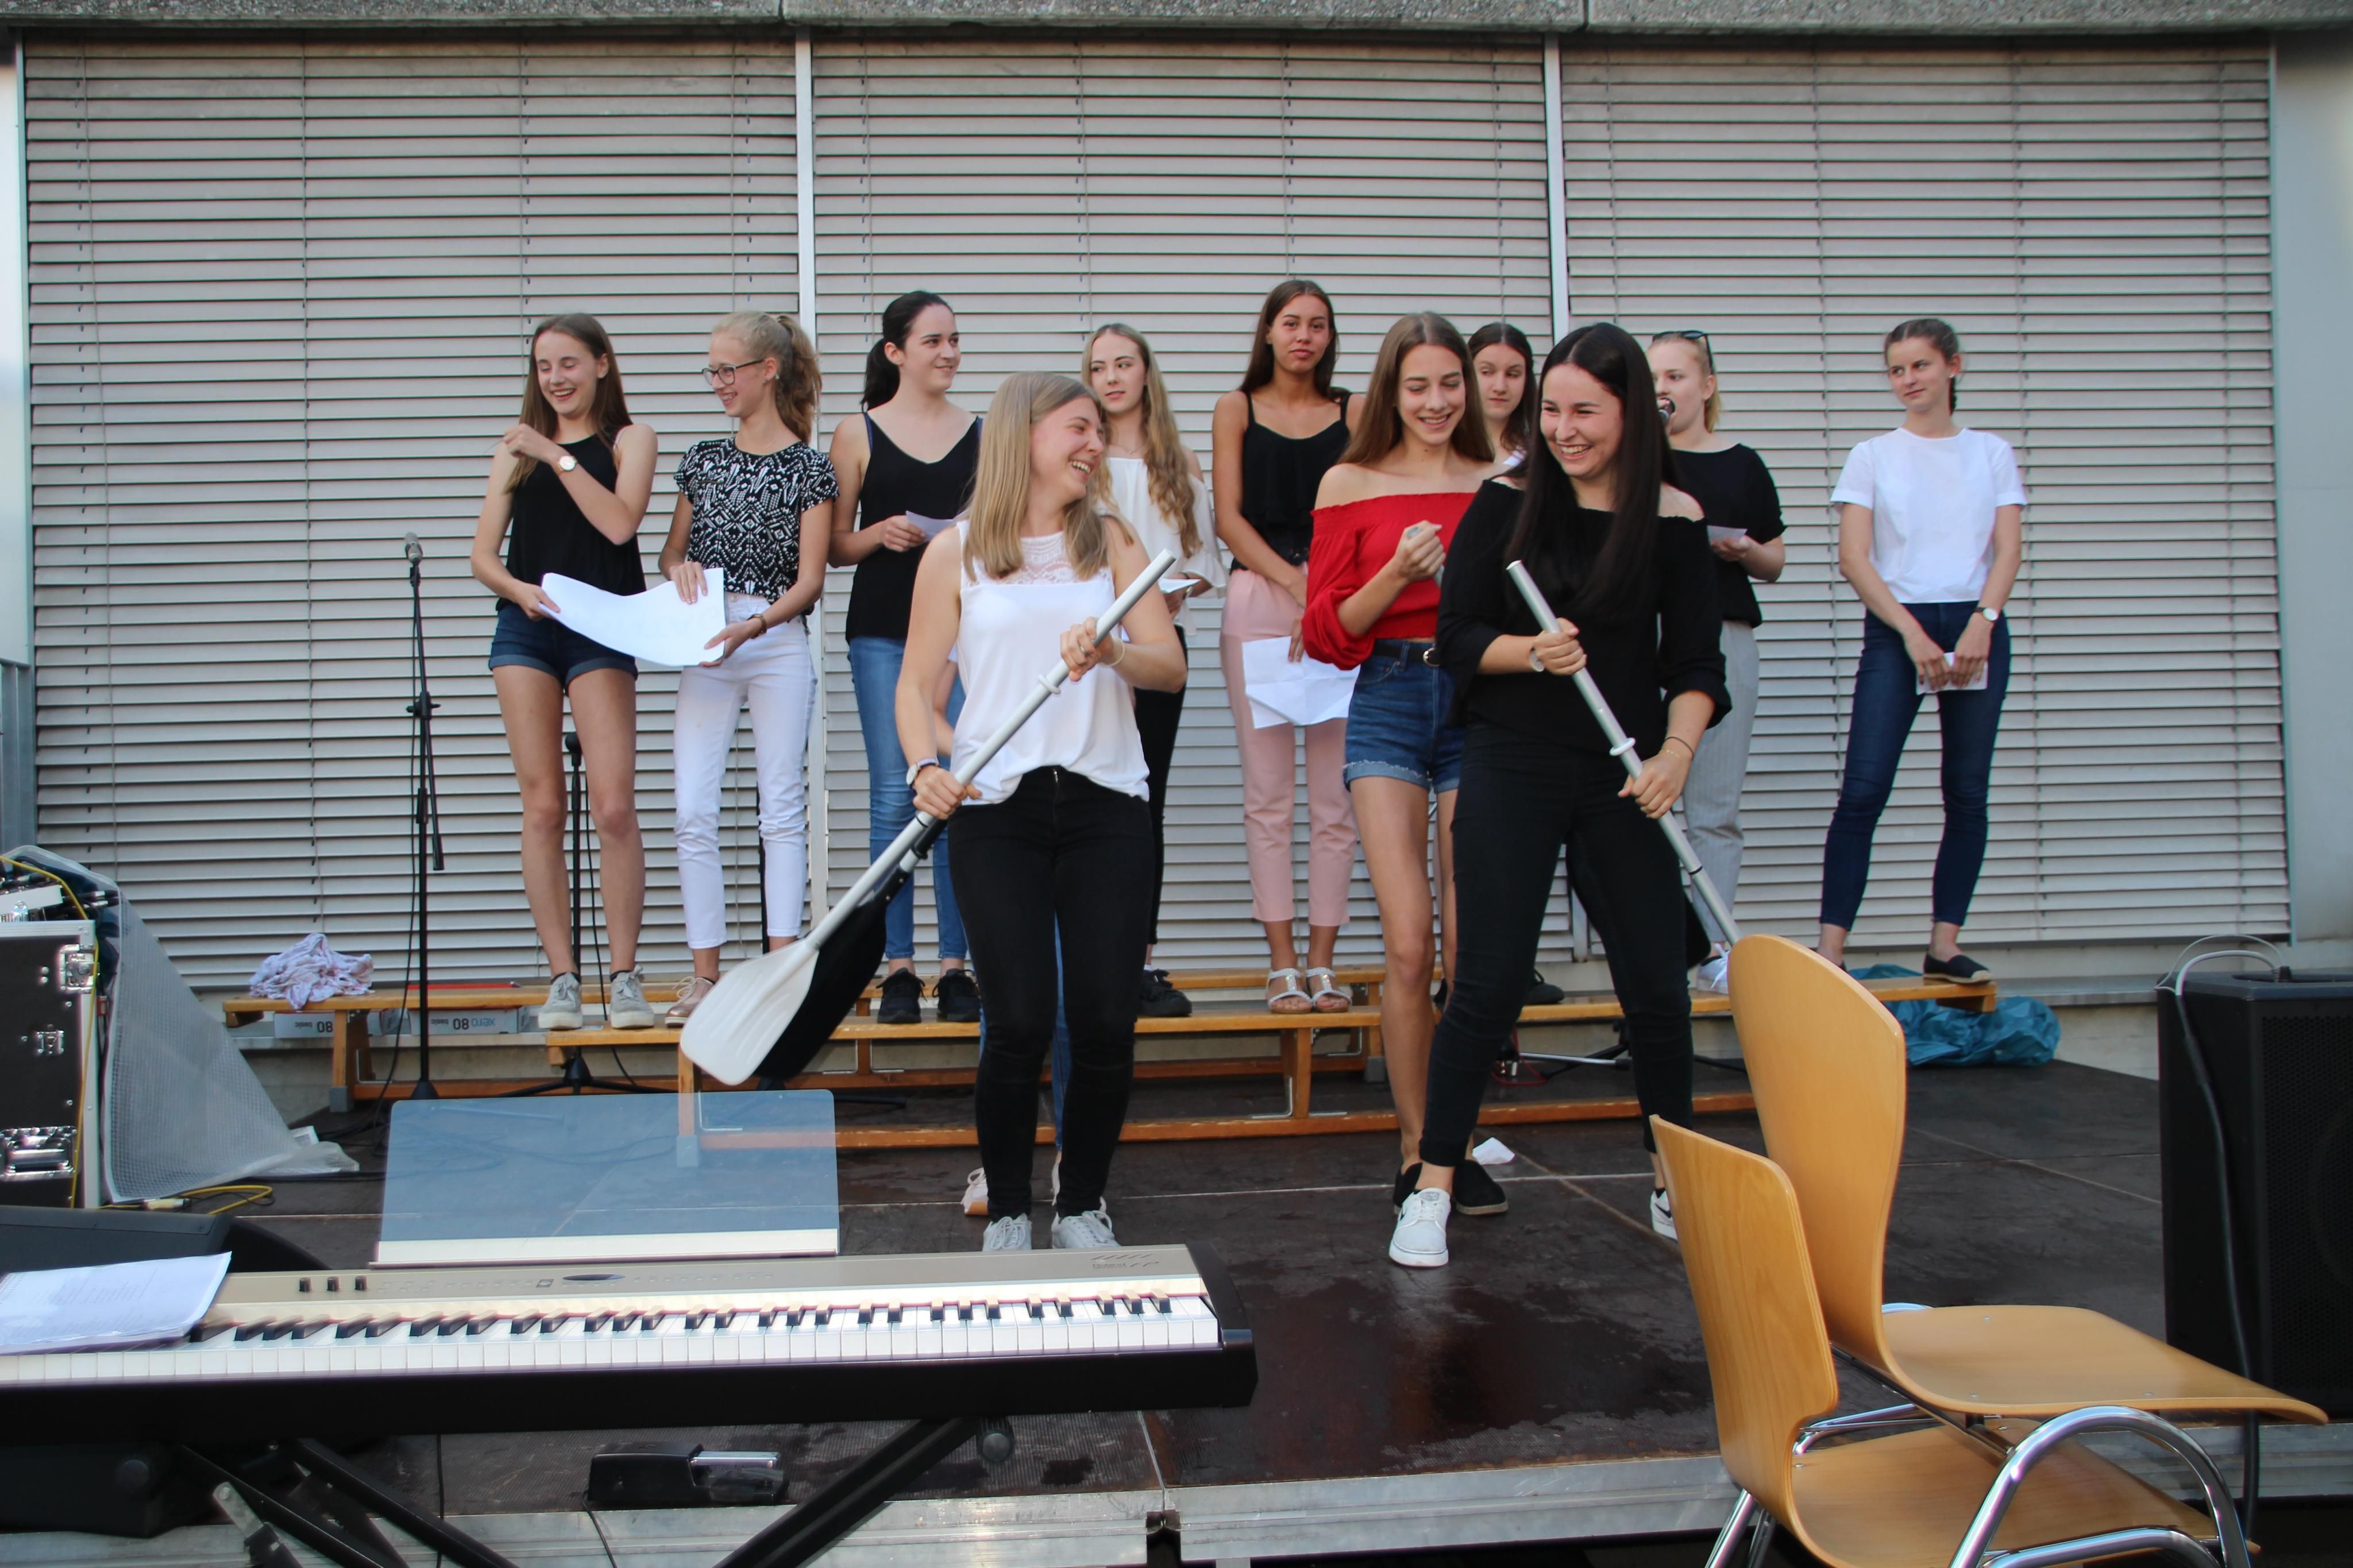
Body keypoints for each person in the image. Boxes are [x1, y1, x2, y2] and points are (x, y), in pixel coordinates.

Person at [1395, 323, 1729, 1269]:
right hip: (1513, 759)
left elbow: (1696, 665)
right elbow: (1457, 636)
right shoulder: (1505, 502)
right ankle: (1432, 1185)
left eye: (1587, 411)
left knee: (1656, 985)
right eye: (1552, 410)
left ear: (1632, 413)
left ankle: (1671, 1180)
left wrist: (1675, 755)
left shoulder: (1674, 518)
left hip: (1625, 771)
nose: (1565, 429)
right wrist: (1530, 652)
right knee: (1489, 979)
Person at [898, 372, 1186, 1252]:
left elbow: (1169, 665)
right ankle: (1011, 1213)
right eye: (1078, 428)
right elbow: (915, 687)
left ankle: (1085, 1203)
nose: (1094, 444)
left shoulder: (1115, 540)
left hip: (1108, 806)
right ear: (1025, 435)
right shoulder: (956, 552)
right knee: (1018, 1019)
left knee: (1102, 1019)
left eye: (1098, 430)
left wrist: (1113, 654)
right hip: (997, 812)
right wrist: (926, 766)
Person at [1302, 312, 1503, 1221]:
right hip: (1387, 692)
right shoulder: (1349, 481)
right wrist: (1399, 572)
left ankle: (1455, 1142)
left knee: (1471, 946)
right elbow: (1325, 632)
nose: (1435, 401)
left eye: (1450, 384)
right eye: (1417, 385)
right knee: (1411, 941)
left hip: (1481, 700)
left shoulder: (1502, 480)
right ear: (1391, 389)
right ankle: (1418, 1152)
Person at [468, 314, 661, 1032]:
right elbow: (482, 555)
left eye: (570, 363)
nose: (556, 378)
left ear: (602, 365)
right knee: (543, 806)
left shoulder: (629, 440)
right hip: (528, 626)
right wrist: (516, 590)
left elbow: (619, 524)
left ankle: (624, 977)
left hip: (601, 626)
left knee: (612, 806)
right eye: (544, 366)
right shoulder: (514, 452)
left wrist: (555, 453)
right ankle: (562, 978)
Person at [1818, 318, 2024, 982]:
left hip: (1973, 625)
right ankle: (1830, 953)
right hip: (1896, 625)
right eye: (1896, 370)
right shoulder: (1872, 455)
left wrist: (1983, 620)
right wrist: (1909, 632)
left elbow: (2007, 549)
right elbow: (1854, 558)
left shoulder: (1990, 452)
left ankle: (1943, 945)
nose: (1907, 380)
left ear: (1952, 367)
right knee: (1863, 789)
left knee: (1966, 791)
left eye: (1920, 366)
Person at [657, 311, 834, 1020]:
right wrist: (680, 571)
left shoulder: (809, 468)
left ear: (768, 370)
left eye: (728, 369)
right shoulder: (702, 460)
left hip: (775, 639)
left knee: (780, 809)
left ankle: (778, 972)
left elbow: (811, 581)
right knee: (692, 809)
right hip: (708, 641)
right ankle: (705, 976)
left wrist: (753, 626)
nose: (718, 382)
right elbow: (671, 552)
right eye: (712, 370)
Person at [1210, 279, 1362, 1014]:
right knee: (1268, 797)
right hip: (1262, 600)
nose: (1304, 336)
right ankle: (1281, 964)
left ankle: (1323, 962)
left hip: (1342, 604)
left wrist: (1326, 597)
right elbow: (1228, 520)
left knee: (1336, 798)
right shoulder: (1235, 408)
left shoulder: (1354, 412)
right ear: (1268, 331)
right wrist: (1301, 590)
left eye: (1318, 325)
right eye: (1291, 322)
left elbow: (1362, 513)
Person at [828, 291, 981, 1025]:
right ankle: (897, 967)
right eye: (932, 341)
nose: (948, 353)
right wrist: (878, 534)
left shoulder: (982, 433)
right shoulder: (857, 432)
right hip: (884, 630)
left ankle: (956, 967)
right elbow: (831, 546)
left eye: (954, 340)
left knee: (957, 789)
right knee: (896, 794)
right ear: (895, 353)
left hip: (963, 638)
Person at [1084, 322, 1225, 1018]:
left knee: (1145, 801)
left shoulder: (1179, 461)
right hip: (1090, 650)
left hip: (1158, 646)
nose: (1111, 378)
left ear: (1146, 373)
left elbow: (1202, 563)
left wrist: (1172, 595)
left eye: (1123, 364)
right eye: (1098, 367)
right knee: (1091, 797)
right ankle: (1087, 957)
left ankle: (1138, 961)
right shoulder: (1082, 459)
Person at [1649, 330, 1785, 991]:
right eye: (1653, 379)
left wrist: (1742, 551)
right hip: (1645, 635)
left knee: (1714, 807)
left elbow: (1775, 560)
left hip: (1724, 633)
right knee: (1636, 803)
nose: (1663, 390)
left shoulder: (1741, 464)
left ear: (1706, 386)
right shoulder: (1636, 460)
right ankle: (1663, 949)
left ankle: (1717, 953)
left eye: (1676, 377)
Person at [1468, 322, 1536, 469]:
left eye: (1512, 374)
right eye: (1487, 372)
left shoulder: (1540, 454)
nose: (1500, 387)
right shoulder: (1444, 448)